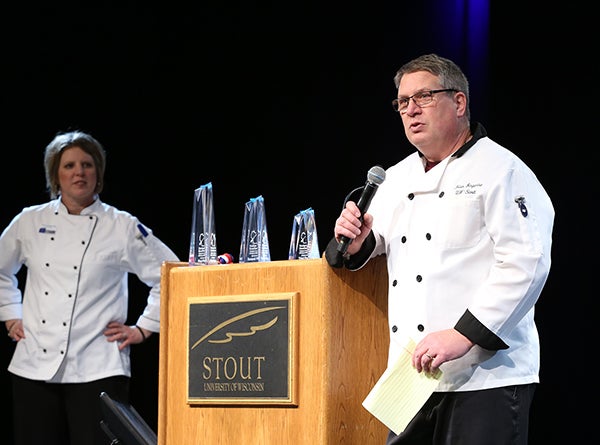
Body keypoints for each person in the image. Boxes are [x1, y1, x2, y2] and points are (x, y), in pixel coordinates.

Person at [325, 53, 554, 445]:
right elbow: (371, 248)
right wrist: (356, 243)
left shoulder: (502, 170)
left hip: (486, 377)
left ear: (459, 102)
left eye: (424, 97)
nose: (410, 110)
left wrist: (463, 334)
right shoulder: (395, 178)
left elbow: (526, 263)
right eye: (402, 102)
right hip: (410, 378)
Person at [0, 130, 179, 445]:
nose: (78, 172)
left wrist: (143, 329)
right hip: (33, 366)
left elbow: (172, 275)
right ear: (55, 174)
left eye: (87, 164)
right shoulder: (29, 221)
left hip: (98, 366)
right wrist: (10, 314)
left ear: (99, 173)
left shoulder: (121, 226)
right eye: (68, 165)